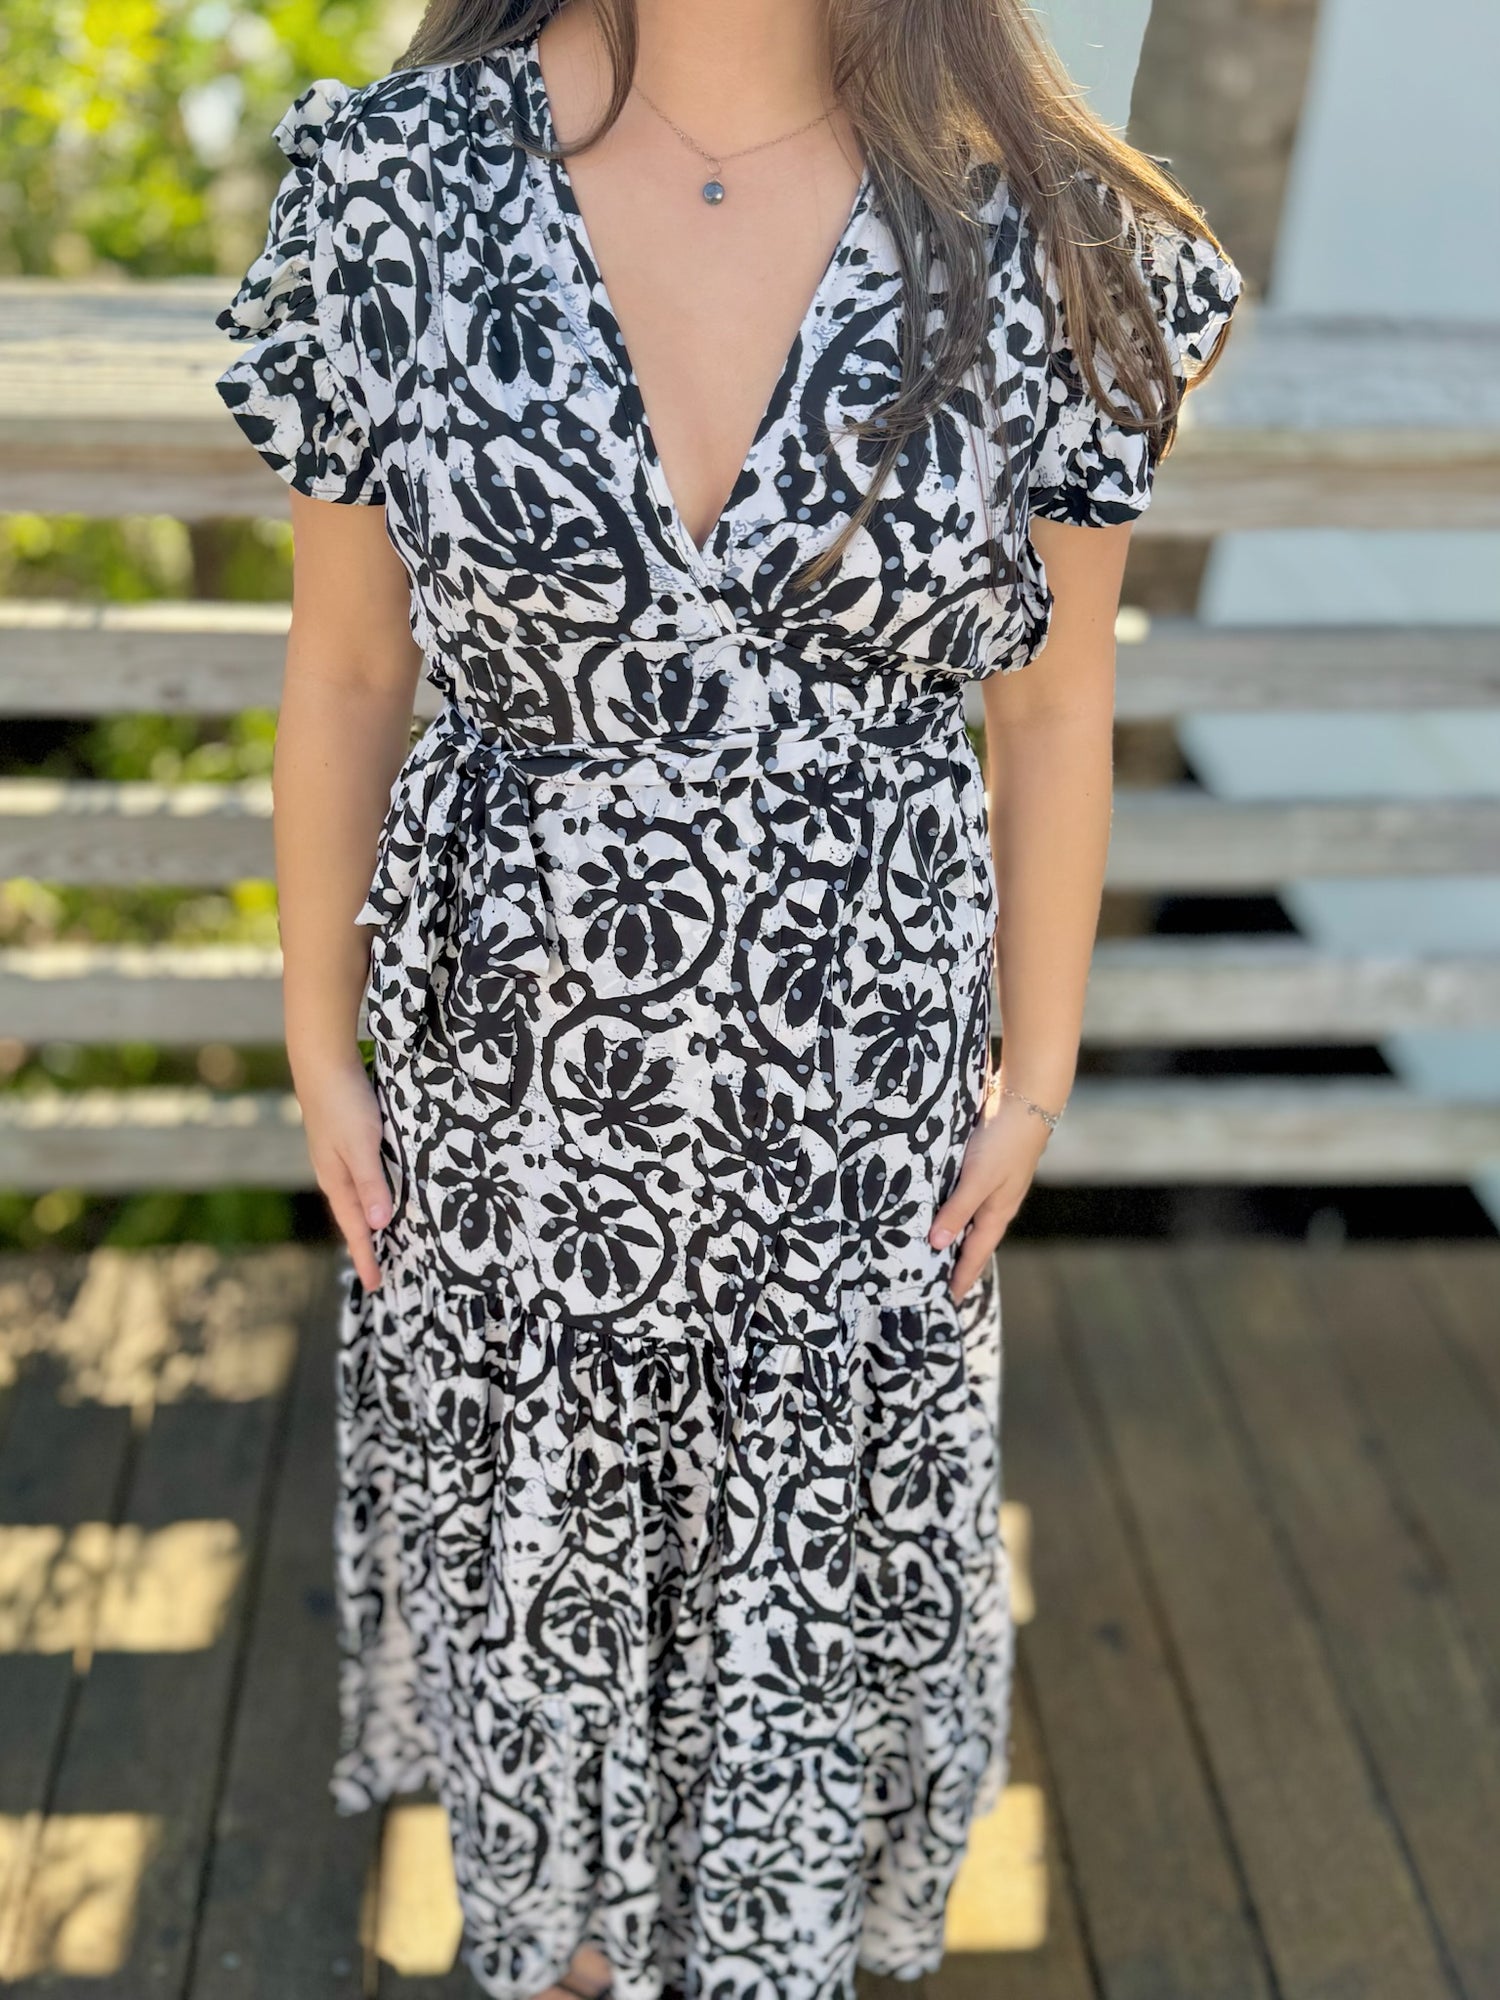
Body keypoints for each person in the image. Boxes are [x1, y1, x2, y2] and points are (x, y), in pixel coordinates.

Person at [215, 1, 1239, 1996]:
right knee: (550, 1575)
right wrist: (314, 1032)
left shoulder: (1042, 223)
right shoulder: (396, 188)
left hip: (851, 1087)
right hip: (507, 1072)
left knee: (807, 1589)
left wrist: (1033, 1082)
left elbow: (1056, 707)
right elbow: (345, 670)